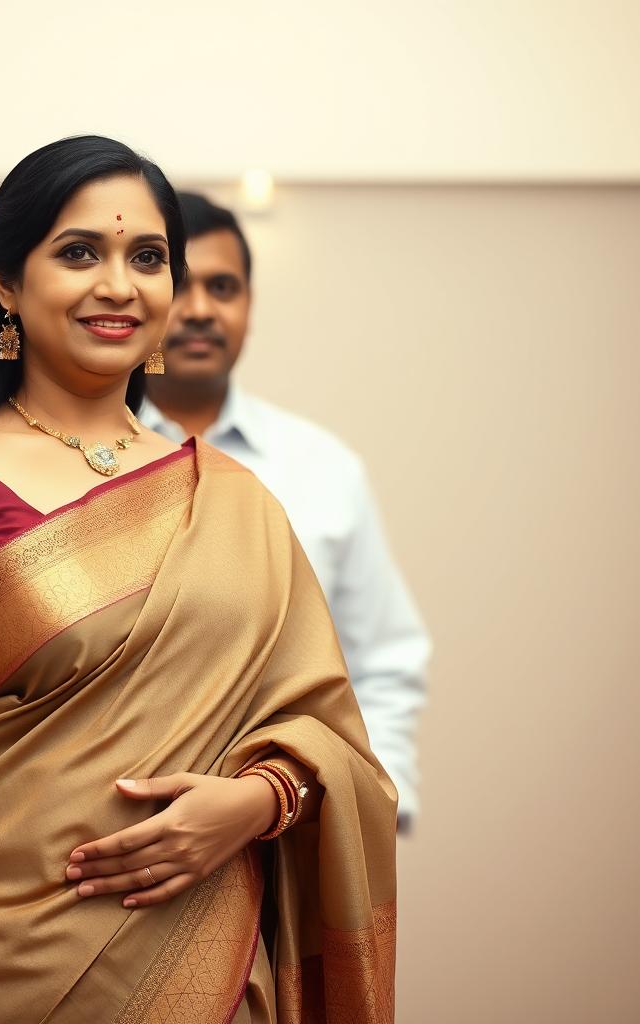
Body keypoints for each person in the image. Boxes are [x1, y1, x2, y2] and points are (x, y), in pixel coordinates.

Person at [0, 136, 397, 1024]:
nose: (119, 286)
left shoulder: (232, 500)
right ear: (8, 284)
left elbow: (331, 742)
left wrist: (255, 802)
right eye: (79, 252)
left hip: (207, 964)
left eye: (148, 258)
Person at [143, 192, 431, 831]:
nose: (198, 310)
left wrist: (374, 799)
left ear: (249, 306)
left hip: (289, 824)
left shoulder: (324, 469)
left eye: (224, 288)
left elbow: (383, 657)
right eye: (180, 284)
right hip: (108, 817)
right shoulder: (75, 458)